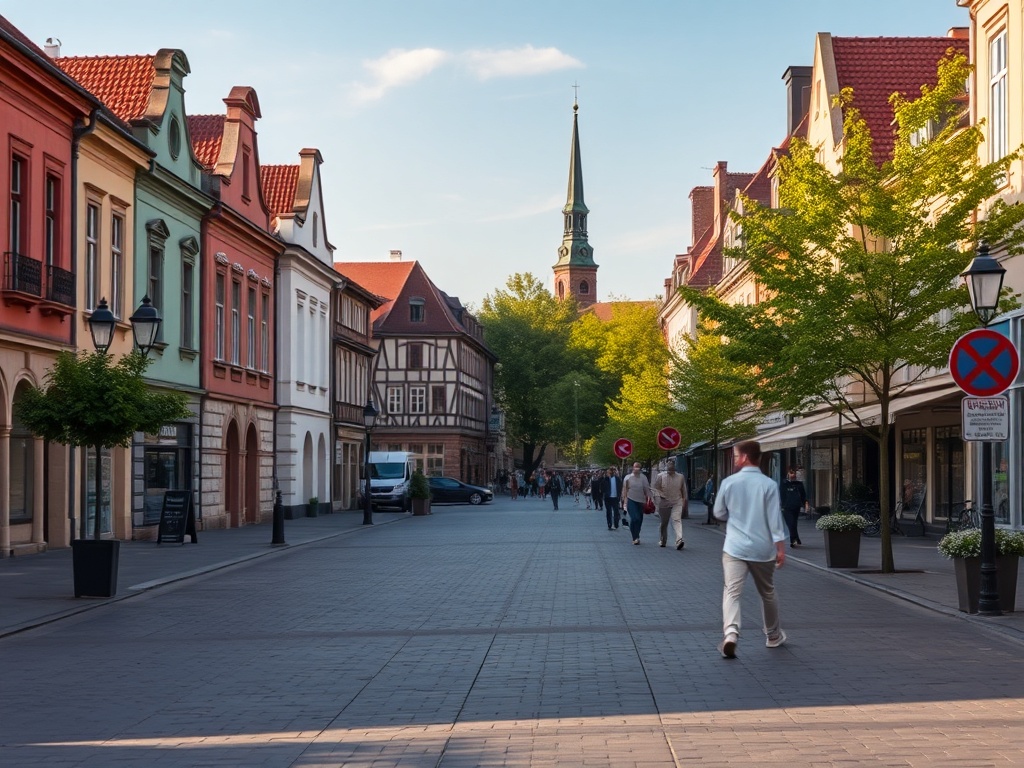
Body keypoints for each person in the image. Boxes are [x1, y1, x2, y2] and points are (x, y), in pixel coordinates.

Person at [713, 440, 787, 659]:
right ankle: (773, 635)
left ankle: (731, 633)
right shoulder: (768, 485)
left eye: (736, 456)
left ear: (745, 457)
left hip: (734, 547)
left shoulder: (729, 482)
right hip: (762, 548)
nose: (735, 459)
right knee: (767, 591)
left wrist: (734, 519)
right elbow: (775, 520)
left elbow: (718, 512)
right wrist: (780, 547)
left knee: (732, 591)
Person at [653, 460, 688, 550]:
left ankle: (679, 540)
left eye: (672, 469)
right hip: (664, 501)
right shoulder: (660, 476)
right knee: (664, 522)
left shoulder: (680, 477)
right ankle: (663, 540)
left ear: (674, 468)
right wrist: (658, 500)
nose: (670, 471)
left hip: (677, 501)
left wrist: (684, 501)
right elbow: (655, 489)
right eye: (669, 469)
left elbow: (683, 490)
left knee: (677, 520)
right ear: (666, 468)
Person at [621, 462, 653, 545]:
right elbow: (625, 490)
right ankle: (634, 537)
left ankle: (637, 534)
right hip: (631, 500)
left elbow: (646, 489)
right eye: (635, 467)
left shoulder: (643, 477)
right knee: (634, 518)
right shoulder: (627, 478)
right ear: (632, 467)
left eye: (638, 467)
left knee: (639, 519)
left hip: (641, 501)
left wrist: (650, 499)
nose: (637, 468)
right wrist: (624, 502)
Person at [779, 467, 808, 548]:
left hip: (796, 506)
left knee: (794, 523)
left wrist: (805, 504)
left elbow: (803, 495)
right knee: (791, 523)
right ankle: (793, 540)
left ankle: (796, 539)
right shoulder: (784, 483)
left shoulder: (799, 484)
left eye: (794, 473)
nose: (793, 475)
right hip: (786, 507)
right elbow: (781, 495)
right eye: (791, 473)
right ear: (788, 473)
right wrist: (782, 505)